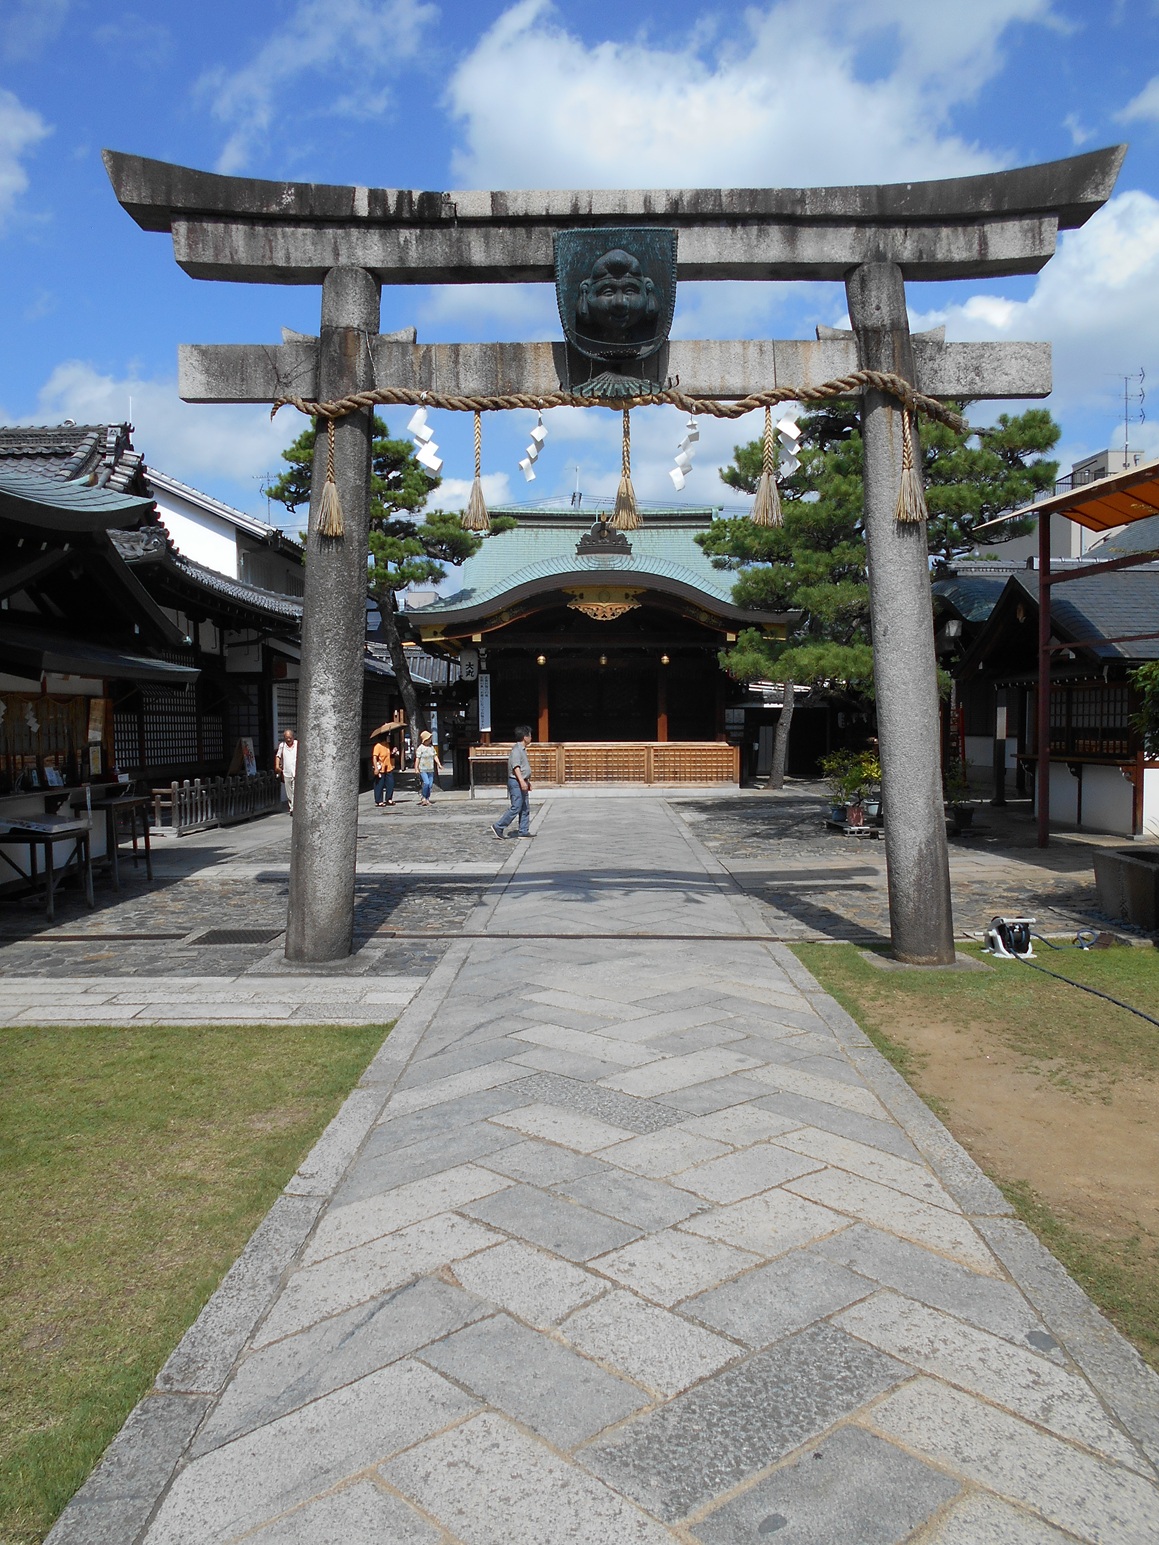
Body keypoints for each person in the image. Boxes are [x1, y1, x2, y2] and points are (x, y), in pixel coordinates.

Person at [491, 725, 534, 839]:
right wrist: (521, 781)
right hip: (516, 782)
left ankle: (523, 830)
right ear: (525, 737)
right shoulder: (517, 750)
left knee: (525, 807)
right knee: (516, 806)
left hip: (522, 780)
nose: (531, 737)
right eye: (530, 735)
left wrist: (527, 781)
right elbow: (516, 767)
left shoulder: (522, 750)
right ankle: (499, 826)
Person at [414, 730, 442, 806]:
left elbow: (435, 756)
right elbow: (417, 759)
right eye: (429, 738)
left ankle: (427, 798)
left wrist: (439, 764)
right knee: (426, 783)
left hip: (430, 769)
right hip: (423, 769)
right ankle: (423, 797)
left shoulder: (431, 747)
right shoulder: (420, 748)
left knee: (430, 785)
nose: (430, 740)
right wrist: (416, 768)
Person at [275, 727, 298, 814]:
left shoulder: (297, 744)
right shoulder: (282, 745)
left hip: (296, 771)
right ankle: (291, 807)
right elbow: (278, 756)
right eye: (286, 738)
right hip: (286, 771)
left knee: (295, 790)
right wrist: (277, 766)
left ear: (293, 737)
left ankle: (293, 809)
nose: (288, 739)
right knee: (289, 792)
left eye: (290, 738)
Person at [372, 735, 398, 808]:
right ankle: (379, 800)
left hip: (388, 767)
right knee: (379, 785)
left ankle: (388, 798)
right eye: (387, 736)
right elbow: (374, 757)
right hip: (381, 768)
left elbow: (388, 755)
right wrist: (376, 768)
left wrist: (393, 752)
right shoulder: (378, 746)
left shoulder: (387, 745)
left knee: (390, 783)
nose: (389, 738)